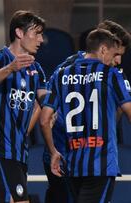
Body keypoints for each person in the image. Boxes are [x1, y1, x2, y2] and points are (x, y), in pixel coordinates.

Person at [42, 20, 131, 203]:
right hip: (66, 156)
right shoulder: (108, 73)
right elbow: (47, 112)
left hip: (77, 156)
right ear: (104, 46)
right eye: (117, 52)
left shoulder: (65, 71)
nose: (118, 60)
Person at [0, 10, 47, 203]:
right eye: (37, 33)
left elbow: (42, 104)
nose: (41, 40)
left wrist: (24, 131)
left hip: (18, 151)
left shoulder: (36, 69)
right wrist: (10, 69)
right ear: (19, 33)